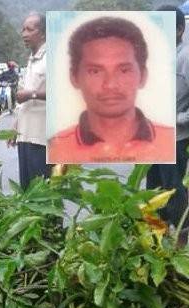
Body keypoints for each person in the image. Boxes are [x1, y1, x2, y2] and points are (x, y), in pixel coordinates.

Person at [48, 16, 174, 164]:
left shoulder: (170, 142)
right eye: (95, 71)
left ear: (143, 76)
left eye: (124, 70)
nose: (110, 85)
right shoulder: (55, 148)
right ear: (74, 77)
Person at [148, 5, 189, 228]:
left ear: (179, 30)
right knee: (153, 193)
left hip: (175, 140)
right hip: (155, 137)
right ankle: (156, 244)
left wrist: (176, 120)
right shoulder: (159, 57)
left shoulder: (186, 57)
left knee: (173, 193)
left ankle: (181, 244)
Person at [10, 12, 49, 190]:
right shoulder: (32, 60)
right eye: (23, 29)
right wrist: (15, 126)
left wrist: (31, 94)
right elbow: (22, 101)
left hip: (42, 138)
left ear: (42, 33)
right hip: (25, 136)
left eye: (29, 29)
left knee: (43, 192)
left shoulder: (51, 57)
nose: (24, 34)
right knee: (27, 190)